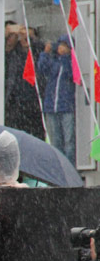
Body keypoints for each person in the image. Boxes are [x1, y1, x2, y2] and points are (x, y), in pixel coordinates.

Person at [38, 34, 76, 165]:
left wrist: (67, 57)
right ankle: (58, 168)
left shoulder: (70, 62)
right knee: (55, 142)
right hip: (51, 107)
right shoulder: (54, 62)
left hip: (66, 107)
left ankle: (70, 168)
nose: (61, 48)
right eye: (60, 45)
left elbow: (71, 73)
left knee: (69, 141)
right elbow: (41, 68)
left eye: (65, 45)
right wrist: (45, 53)